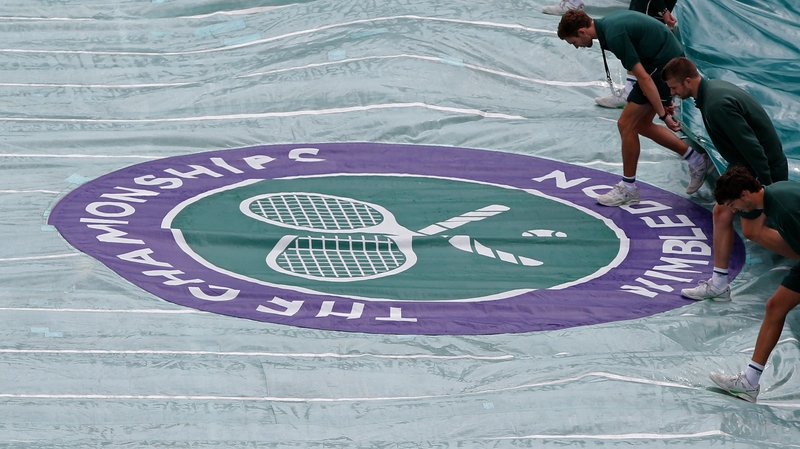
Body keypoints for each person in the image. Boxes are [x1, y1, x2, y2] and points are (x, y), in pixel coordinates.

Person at [661, 57, 796, 301]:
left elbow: (753, 149)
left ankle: (722, 284)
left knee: (752, 230)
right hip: (752, 169)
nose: (672, 92)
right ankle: (719, 282)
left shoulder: (716, 105)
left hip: (758, 172)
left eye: (674, 87)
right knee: (721, 213)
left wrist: (765, 187)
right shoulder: (712, 92)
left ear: (688, 81)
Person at [557, 9, 711, 206]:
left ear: (582, 32)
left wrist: (663, 113)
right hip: (660, 61)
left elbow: (644, 78)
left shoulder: (614, 35)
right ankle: (697, 160)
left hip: (663, 67)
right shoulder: (607, 24)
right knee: (641, 124)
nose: (577, 47)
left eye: (573, 42)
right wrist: (661, 102)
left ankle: (629, 189)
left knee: (626, 124)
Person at [706, 167, 800, 402]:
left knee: (775, 307)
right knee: (775, 307)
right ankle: (749, 381)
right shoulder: (775, 197)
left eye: (733, 204)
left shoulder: (785, 209)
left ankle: (749, 382)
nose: (734, 210)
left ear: (745, 193)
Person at [596, 0, 679, 108]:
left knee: (642, 39)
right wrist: (663, 10)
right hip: (649, 6)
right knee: (637, 37)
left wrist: (663, 10)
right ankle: (630, 90)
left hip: (653, 7)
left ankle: (633, 90)